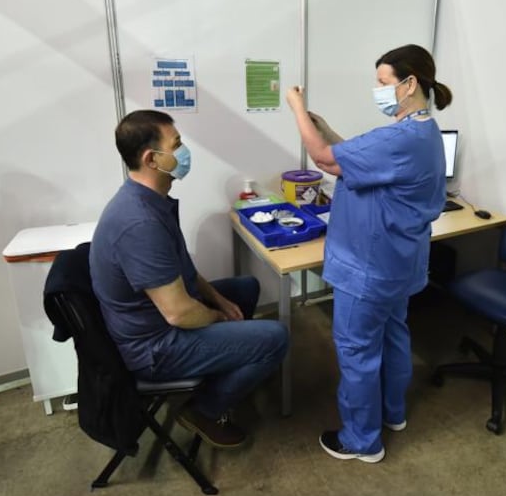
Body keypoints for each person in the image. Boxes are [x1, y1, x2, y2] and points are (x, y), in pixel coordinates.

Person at [285, 44, 450, 463]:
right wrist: (322, 125)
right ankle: (393, 413)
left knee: (357, 351)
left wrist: (297, 109)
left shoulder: (400, 137)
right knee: (394, 336)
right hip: (398, 264)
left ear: (409, 83)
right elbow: (353, 159)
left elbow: (324, 160)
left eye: (382, 83)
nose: (376, 90)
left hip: (369, 268)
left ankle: (362, 441)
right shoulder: (424, 130)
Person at [90, 109, 289, 448]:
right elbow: (179, 313)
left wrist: (219, 300)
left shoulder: (151, 201)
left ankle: (228, 369)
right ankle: (204, 410)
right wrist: (218, 318)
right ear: (152, 159)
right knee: (277, 337)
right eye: (177, 144)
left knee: (245, 288)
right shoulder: (139, 223)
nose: (184, 152)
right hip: (155, 347)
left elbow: (179, 268)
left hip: (158, 318)